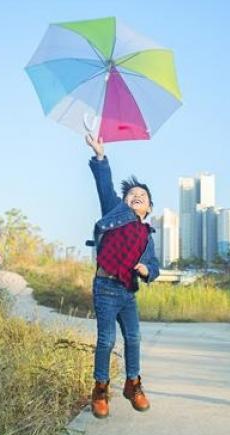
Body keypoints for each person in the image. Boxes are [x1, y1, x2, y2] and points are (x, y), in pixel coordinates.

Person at [85, 134, 160, 419]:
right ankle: (101, 389)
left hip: (128, 292)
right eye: (131, 195)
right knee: (106, 340)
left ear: (149, 208)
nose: (136, 197)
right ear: (123, 201)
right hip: (105, 286)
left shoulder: (147, 236)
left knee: (134, 337)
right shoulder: (115, 211)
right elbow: (104, 185)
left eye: (142, 197)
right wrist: (100, 156)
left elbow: (154, 266)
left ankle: (133, 384)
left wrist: (147, 271)